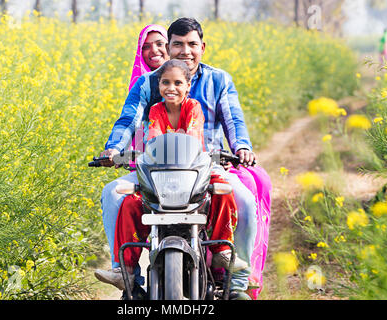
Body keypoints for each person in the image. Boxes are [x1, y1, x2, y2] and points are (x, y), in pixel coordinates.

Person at [97, 18, 263, 300]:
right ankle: (127, 277)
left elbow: (233, 120)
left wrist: (242, 147)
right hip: (156, 169)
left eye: (192, 44)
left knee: (245, 201)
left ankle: (236, 285)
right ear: (168, 47)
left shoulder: (218, 80)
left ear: (202, 47)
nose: (185, 50)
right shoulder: (149, 83)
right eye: (178, 44)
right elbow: (129, 119)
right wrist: (114, 149)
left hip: (206, 166)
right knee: (113, 194)